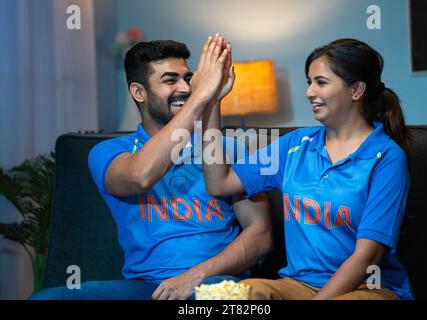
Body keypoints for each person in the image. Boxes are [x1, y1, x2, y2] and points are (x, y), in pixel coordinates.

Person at [29, 35, 272, 300]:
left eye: (188, 78)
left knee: (217, 298)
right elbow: (139, 176)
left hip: (215, 282)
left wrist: (196, 275)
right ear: (139, 92)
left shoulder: (228, 148)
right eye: (170, 80)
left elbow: (261, 234)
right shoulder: (110, 152)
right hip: (146, 288)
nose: (185, 88)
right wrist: (201, 99)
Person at [201, 38, 413, 300]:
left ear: (356, 90)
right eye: (309, 82)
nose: (309, 92)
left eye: (320, 82)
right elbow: (219, 183)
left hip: (367, 289)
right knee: (221, 297)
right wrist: (212, 103)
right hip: (297, 285)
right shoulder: (296, 144)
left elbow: (367, 257)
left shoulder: (387, 158)